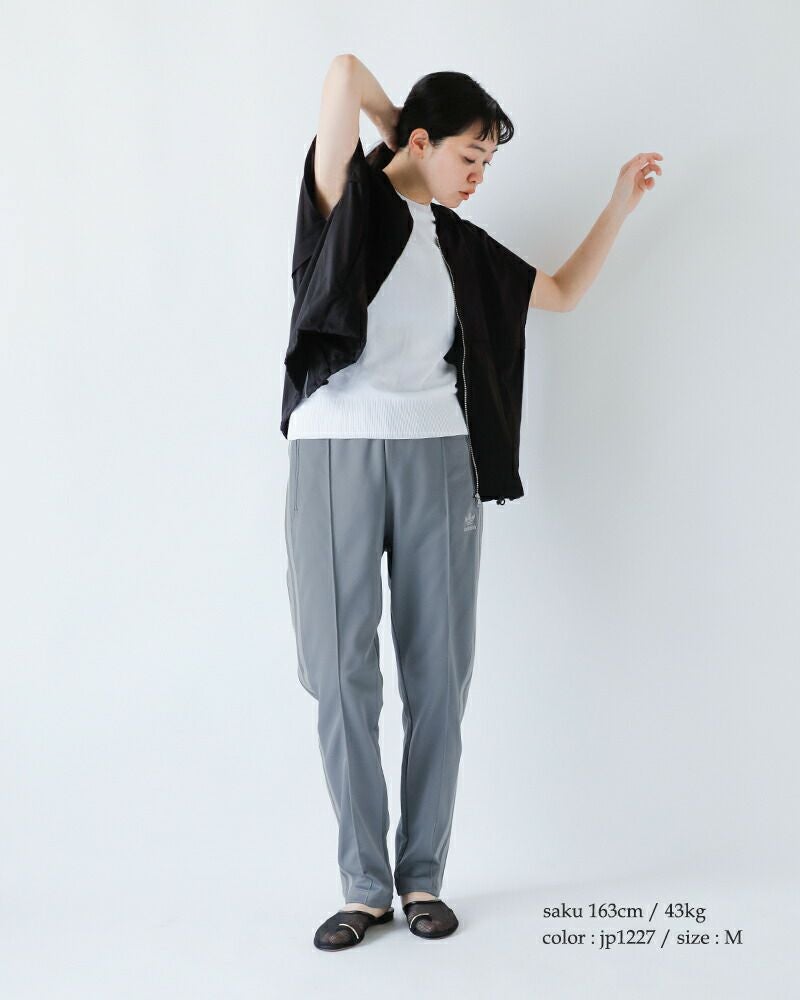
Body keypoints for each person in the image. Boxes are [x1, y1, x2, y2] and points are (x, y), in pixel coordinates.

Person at [282, 54, 663, 951]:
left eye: (490, 162)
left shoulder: (457, 243)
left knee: (439, 674)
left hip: (439, 459)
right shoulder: (348, 202)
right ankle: (362, 887)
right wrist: (399, 135)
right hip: (334, 452)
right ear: (420, 140)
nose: (480, 176)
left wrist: (619, 206)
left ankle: (421, 878)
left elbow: (561, 294)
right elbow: (343, 73)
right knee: (339, 673)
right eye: (470, 155)